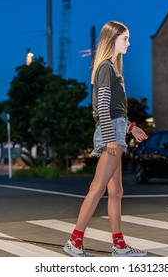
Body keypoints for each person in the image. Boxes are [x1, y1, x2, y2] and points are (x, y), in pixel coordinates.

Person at [63, 21, 148, 257]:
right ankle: (74, 241)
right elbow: (102, 106)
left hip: (117, 130)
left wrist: (132, 127)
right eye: (125, 38)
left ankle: (119, 245)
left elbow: (116, 109)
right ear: (113, 40)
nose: (129, 43)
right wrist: (112, 139)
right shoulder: (105, 68)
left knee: (116, 191)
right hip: (111, 133)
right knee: (97, 188)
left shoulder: (114, 69)